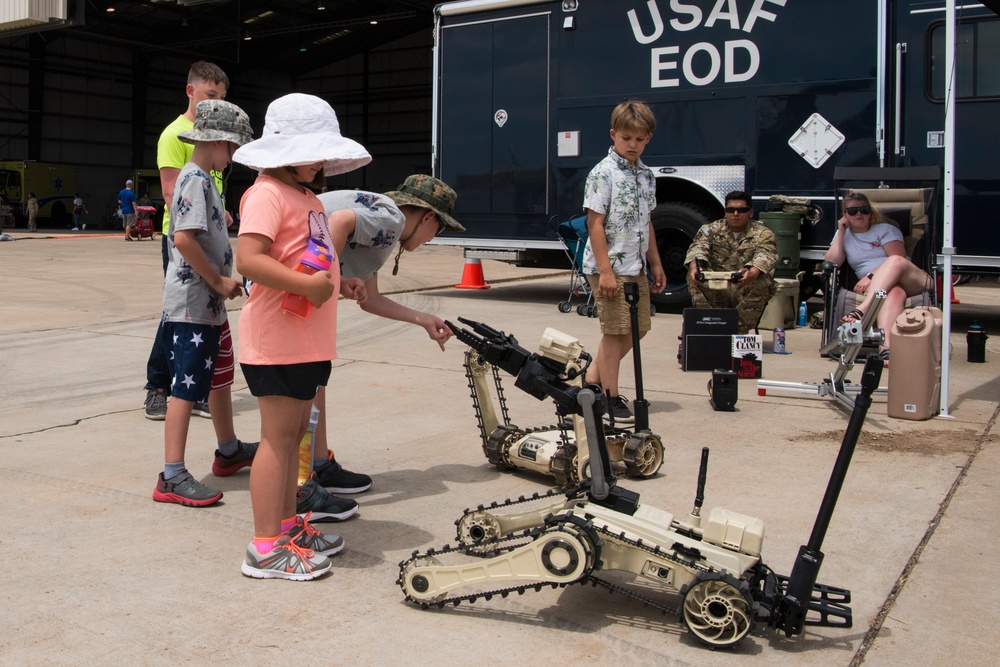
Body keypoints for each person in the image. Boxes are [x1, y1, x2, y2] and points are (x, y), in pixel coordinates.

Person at [232, 92, 372, 580]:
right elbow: (248, 260)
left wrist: (338, 284)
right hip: (276, 341)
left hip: (305, 340)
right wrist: (310, 285)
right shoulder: (267, 193)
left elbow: (308, 259)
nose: (320, 160)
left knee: (294, 440)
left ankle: (288, 525)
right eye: (313, 151)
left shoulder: (307, 197)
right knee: (277, 440)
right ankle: (265, 547)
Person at [293, 175, 466, 518]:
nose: (433, 238)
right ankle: (301, 484)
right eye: (439, 229)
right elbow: (338, 222)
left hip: (302, 284)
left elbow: (369, 299)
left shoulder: (380, 218)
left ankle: (316, 464)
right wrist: (330, 277)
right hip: (300, 288)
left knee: (316, 379)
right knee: (304, 385)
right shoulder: (392, 220)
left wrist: (422, 319)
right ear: (427, 216)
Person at [152, 99, 253, 507]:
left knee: (218, 376)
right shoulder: (195, 179)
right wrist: (217, 280)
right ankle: (172, 475)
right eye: (233, 149)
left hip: (207, 305)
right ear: (217, 142)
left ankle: (228, 449)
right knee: (186, 388)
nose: (233, 158)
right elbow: (182, 239)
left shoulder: (204, 179)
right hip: (195, 302)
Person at [144, 61, 228, 422]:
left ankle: (189, 386)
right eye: (210, 96)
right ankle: (158, 387)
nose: (216, 103)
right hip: (182, 236)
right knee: (179, 315)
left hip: (205, 232)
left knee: (194, 317)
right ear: (190, 91)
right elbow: (169, 192)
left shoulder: (214, 135)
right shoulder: (175, 134)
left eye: (222, 98)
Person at [580, 100, 666, 424]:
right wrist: (605, 272)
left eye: (639, 139)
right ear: (614, 135)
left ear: (648, 139)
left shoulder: (646, 175)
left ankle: (591, 377)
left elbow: (646, 222)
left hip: (636, 265)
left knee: (639, 328)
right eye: (626, 138)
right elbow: (595, 224)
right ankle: (609, 397)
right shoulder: (603, 174)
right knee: (615, 332)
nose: (632, 145)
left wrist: (655, 263)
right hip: (608, 266)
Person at [823, 191, 932, 366]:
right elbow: (832, 262)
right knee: (893, 293)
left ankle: (863, 309)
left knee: (894, 260)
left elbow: (900, 257)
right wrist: (841, 232)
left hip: (910, 278)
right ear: (845, 215)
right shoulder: (843, 235)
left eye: (864, 209)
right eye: (852, 211)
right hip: (883, 288)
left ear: (870, 212)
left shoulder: (885, 229)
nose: (859, 214)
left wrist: (870, 276)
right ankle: (886, 347)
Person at [684, 191, 778, 335]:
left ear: (750, 213)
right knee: (695, 277)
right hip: (716, 284)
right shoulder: (710, 229)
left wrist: (752, 272)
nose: (735, 213)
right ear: (725, 212)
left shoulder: (763, 233)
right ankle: (709, 325)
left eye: (741, 210)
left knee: (763, 281)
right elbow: (698, 248)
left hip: (743, 284)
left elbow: (765, 254)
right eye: (730, 210)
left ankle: (738, 330)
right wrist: (695, 268)